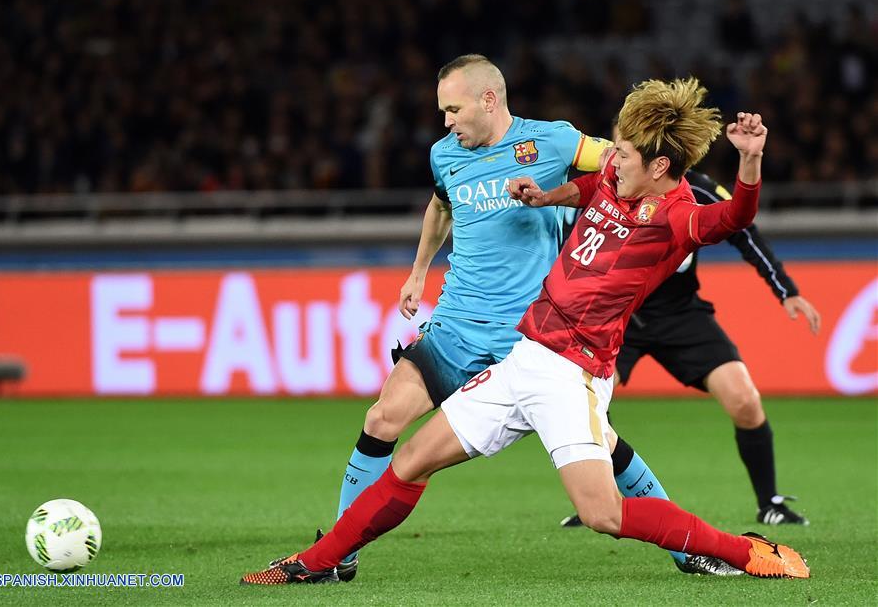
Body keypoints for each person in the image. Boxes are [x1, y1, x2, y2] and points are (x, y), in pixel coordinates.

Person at [240, 78, 810, 584]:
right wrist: (546, 195)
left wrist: (750, 163)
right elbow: (588, 191)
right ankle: (313, 565)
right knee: (410, 458)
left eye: (627, 152)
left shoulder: (677, 216)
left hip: (573, 373)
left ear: (660, 166)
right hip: (524, 360)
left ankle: (745, 551)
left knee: (602, 514)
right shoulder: (614, 179)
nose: (613, 158)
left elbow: (734, 218)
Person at [330, 54, 699, 581]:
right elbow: (440, 207)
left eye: (453, 109)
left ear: (488, 100)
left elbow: (629, 161)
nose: (446, 122)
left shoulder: (552, 142)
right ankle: (341, 548)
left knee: (606, 444)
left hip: (532, 338)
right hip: (456, 326)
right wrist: (418, 271)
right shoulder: (444, 155)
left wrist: (672, 206)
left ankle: (689, 549)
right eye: (442, 112)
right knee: (381, 419)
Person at [561, 155, 820, 530]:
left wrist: (786, 291)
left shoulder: (694, 188)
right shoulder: (602, 187)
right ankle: (602, 500)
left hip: (681, 315)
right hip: (616, 316)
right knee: (588, 405)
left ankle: (770, 504)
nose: (616, 156)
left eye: (626, 146)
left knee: (745, 400)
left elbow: (743, 231)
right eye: (616, 144)